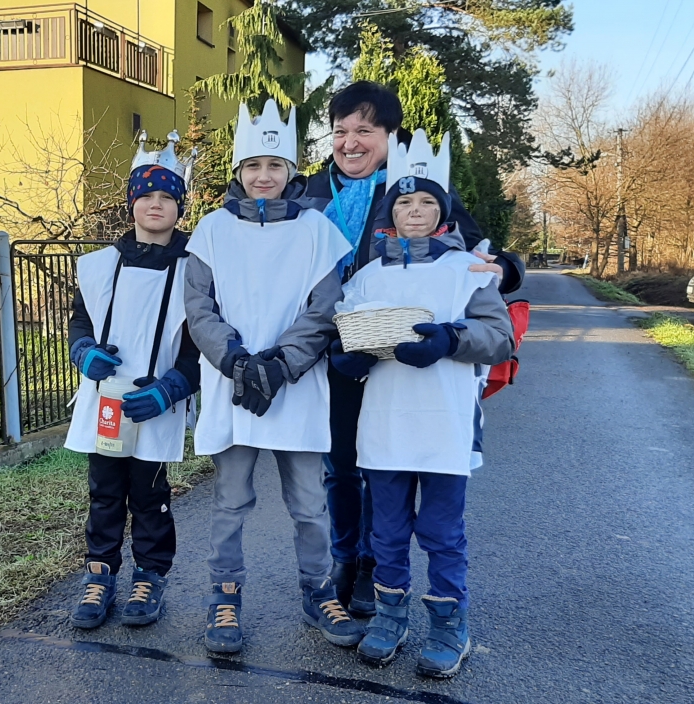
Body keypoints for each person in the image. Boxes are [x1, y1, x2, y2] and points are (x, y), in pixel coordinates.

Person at [300, 81, 524, 617]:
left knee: (383, 456)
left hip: (397, 353)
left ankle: (375, 568)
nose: (351, 143)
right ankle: (345, 558)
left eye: (365, 131)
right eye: (341, 132)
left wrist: (509, 269)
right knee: (339, 464)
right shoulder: (308, 191)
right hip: (331, 346)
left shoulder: (413, 189)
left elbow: (481, 256)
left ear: (390, 136)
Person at [329, 129, 514, 677]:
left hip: (444, 424)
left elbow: (498, 336)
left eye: (427, 202)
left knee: (440, 531)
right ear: (391, 212)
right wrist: (351, 357)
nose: (415, 211)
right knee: (384, 530)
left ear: (444, 211)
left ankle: (448, 621)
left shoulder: (469, 271)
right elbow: (347, 334)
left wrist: (449, 341)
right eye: (404, 202)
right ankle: (390, 615)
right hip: (383, 424)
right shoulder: (366, 275)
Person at [183, 99, 364, 653]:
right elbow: (199, 307)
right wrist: (238, 362)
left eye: (275, 166)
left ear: (291, 172)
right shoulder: (211, 230)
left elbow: (324, 305)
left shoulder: (316, 230)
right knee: (231, 501)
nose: (264, 176)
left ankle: (318, 592)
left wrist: (281, 364)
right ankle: (225, 595)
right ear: (239, 171)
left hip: (296, 385)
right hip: (232, 383)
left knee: (309, 502)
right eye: (253, 166)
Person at [63, 132, 200, 629]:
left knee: (150, 493)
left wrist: (172, 387)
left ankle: (150, 575)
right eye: (146, 196)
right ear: (131, 204)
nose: (156, 204)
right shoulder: (97, 266)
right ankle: (99, 575)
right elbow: (81, 321)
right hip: (104, 400)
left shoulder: (196, 270)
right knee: (104, 491)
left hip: (155, 401)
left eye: (167, 196)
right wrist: (83, 352)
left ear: (179, 205)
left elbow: (197, 345)